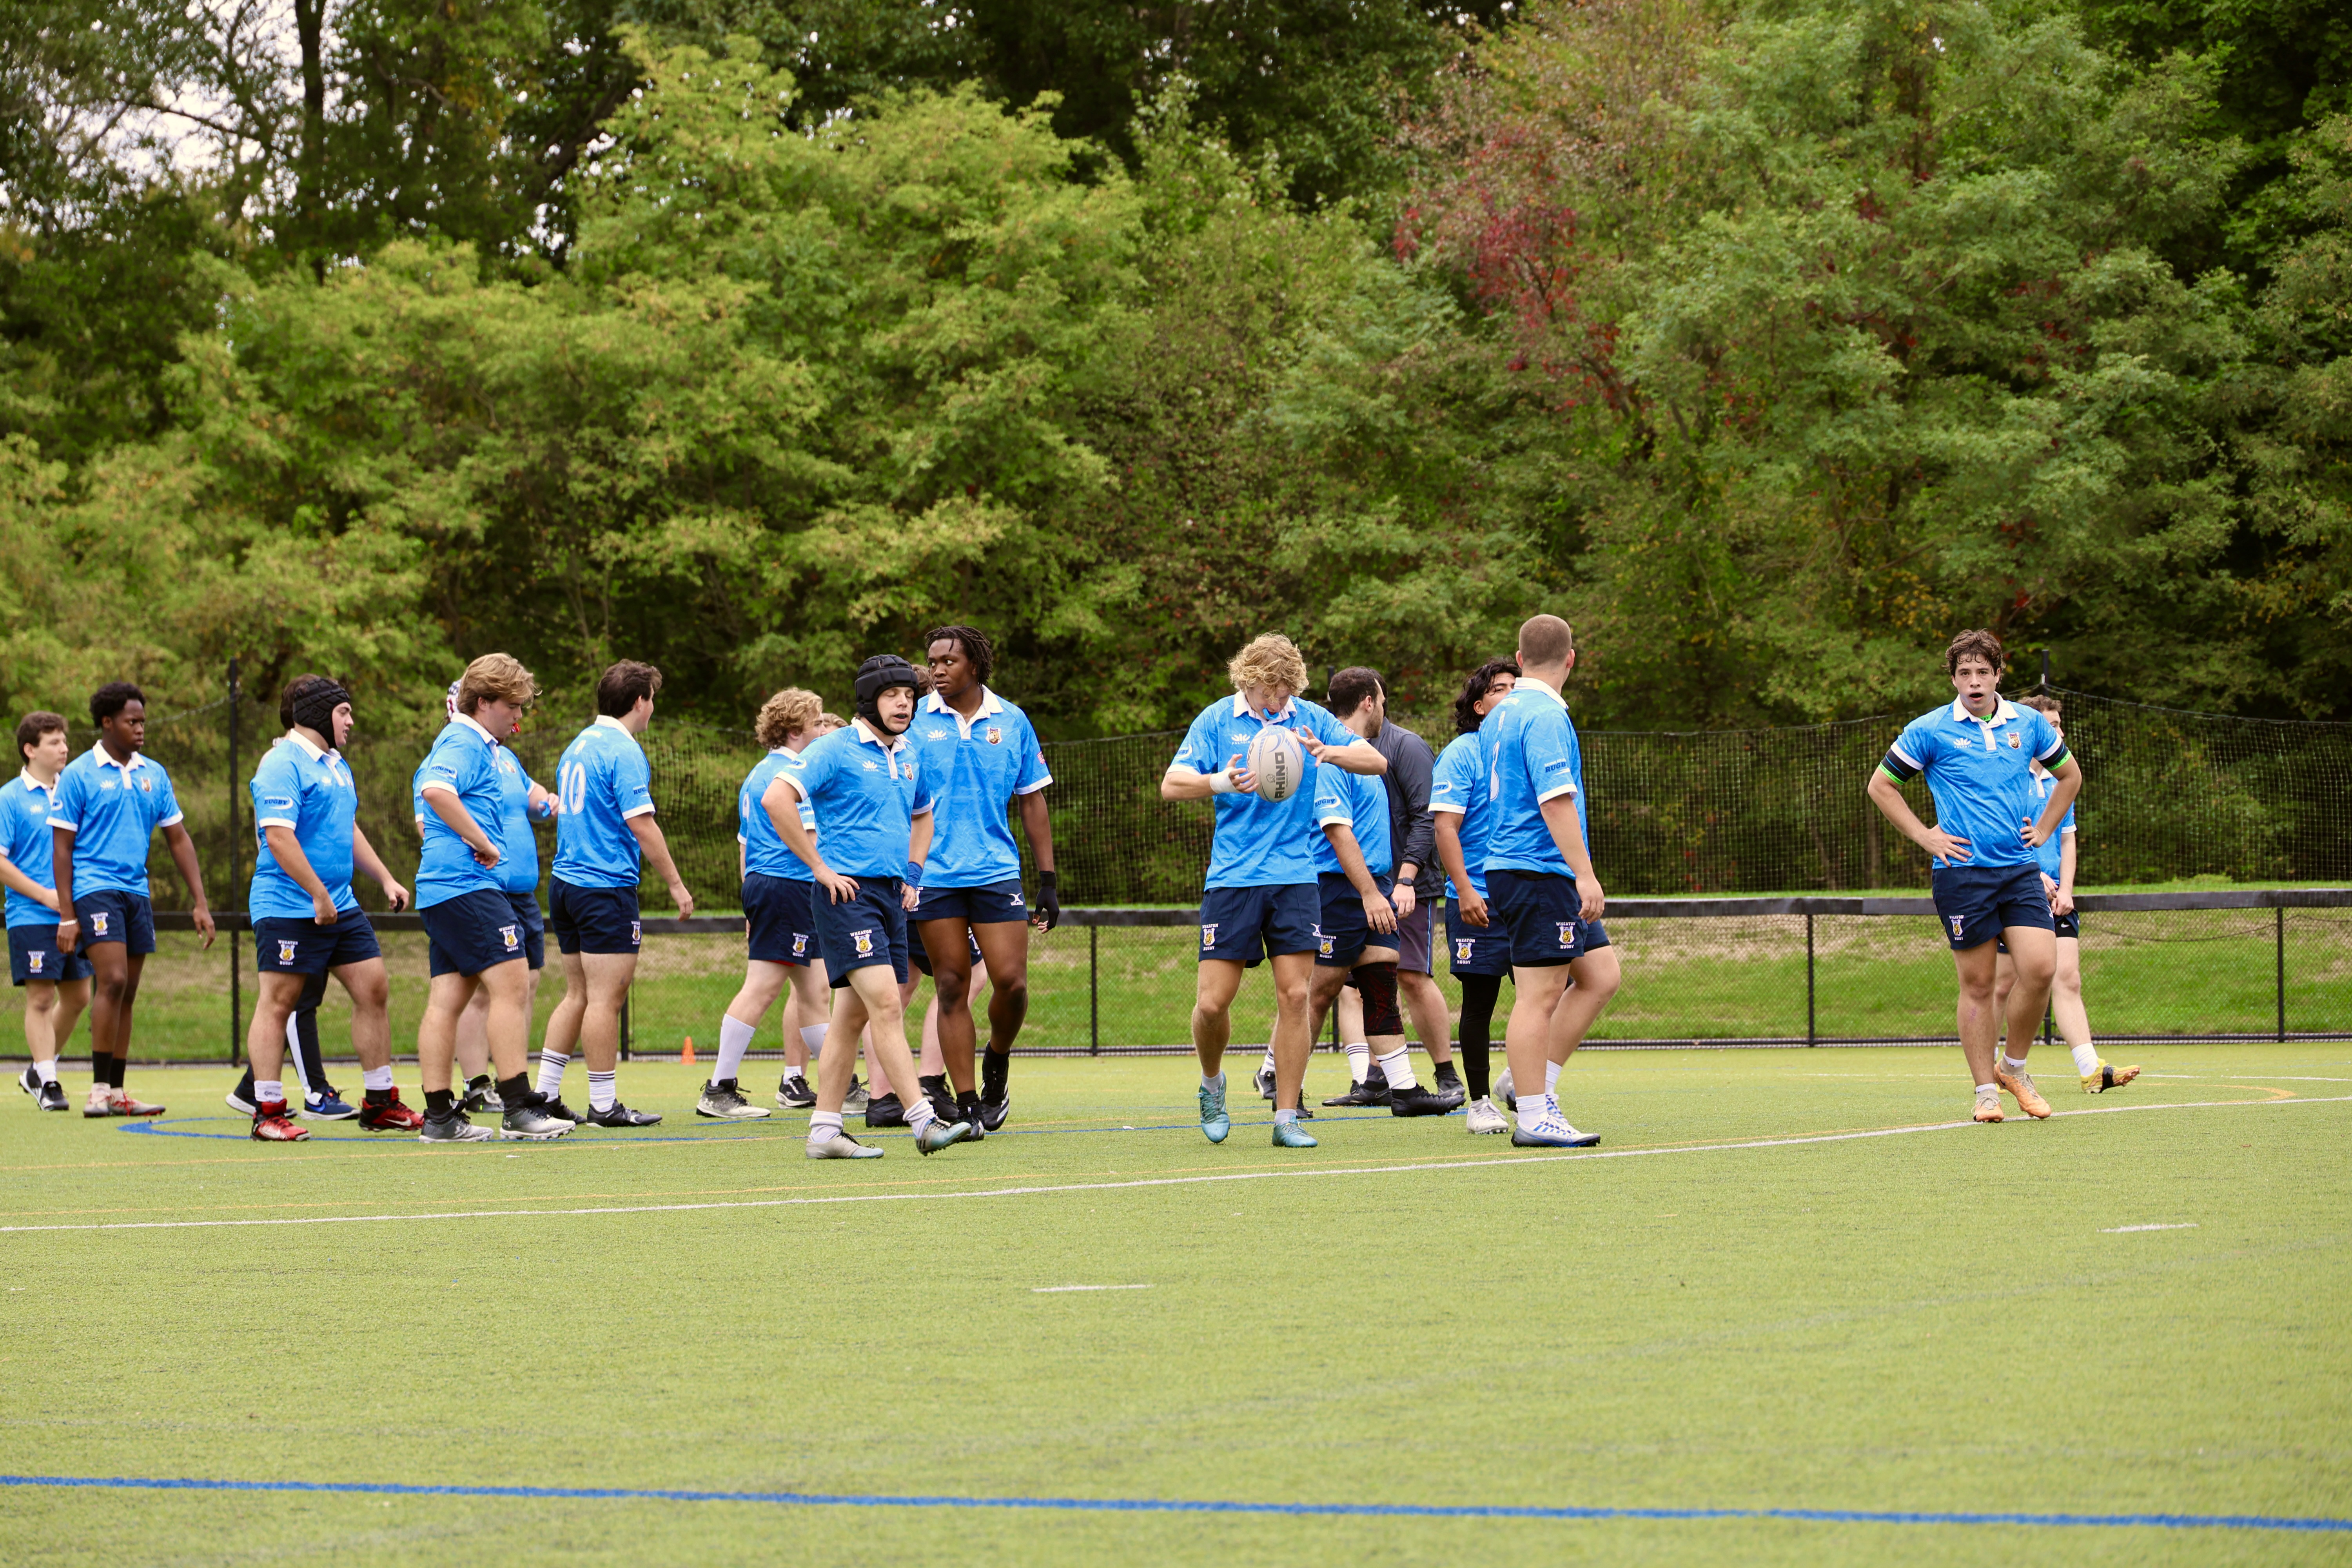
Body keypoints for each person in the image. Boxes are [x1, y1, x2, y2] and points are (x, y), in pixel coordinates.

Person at [1161, 633, 1386, 1150]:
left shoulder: (1309, 719)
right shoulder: (1218, 719)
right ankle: (1213, 1084)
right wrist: (1220, 782)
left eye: (1290, 691)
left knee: (1296, 995)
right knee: (1213, 1004)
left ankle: (1286, 1116)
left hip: (1296, 876)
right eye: (1276, 690)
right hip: (1234, 879)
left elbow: (1378, 764)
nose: (1282, 700)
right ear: (1252, 680)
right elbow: (1173, 784)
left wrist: (1331, 752)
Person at [1867, 629, 2082, 1123]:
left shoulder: (2027, 723)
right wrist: (1927, 837)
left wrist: (2046, 827)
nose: (1975, 681)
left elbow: (2070, 777)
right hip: (1962, 875)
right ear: (1954, 679)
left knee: (2040, 969)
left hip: (2019, 871)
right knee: (1980, 984)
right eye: (1965, 673)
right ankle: (1986, 1090)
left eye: (1983, 671)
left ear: (1999, 674)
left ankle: (2014, 1067)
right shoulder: (1930, 728)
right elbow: (1882, 786)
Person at [774, 655, 971, 1158]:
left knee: (850, 1019)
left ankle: (823, 1131)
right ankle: (923, 1121)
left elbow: (924, 817)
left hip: (890, 896)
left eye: (909, 694)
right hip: (846, 896)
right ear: (868, 700)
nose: (904, 702)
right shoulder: (835, 748)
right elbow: (777, 799)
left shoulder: (908, 753)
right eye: (892, 694)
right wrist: (819, 868)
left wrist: (914, 873)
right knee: (887, 1001)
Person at [239, 675, 423, 1140]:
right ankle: (267, 1111)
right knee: (279, 1003)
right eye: (344, 712)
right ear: (318, 713)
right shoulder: (282, 763)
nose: (351, 720)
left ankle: (380, 1102)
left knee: (374, 988)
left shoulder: (337, 764)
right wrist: (317, 893)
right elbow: (279, 837)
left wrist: (384, 877)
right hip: (287, 905)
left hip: (339, 904)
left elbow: (348, 828)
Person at [411, 654, 572, 1142]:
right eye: (512, 707)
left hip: (443, 887)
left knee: (448, 998)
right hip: (465, 885)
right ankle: (519, 1106)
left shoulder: (480, 743)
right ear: (483, 702)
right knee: (512, 984)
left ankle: (440, 1116)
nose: (518, 718)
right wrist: (483, 842)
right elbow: (437, 791)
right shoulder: (463, 739)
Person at [909, 624, 1058, 1134]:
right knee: (950, 985)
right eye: (932, 662)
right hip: (934, 874)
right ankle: (969, 1105)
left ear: (975, 664)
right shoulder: (913, 721)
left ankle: (998, 1057)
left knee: (1011, 984)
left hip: (995, 871)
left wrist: (1048, 880)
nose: (937, 670)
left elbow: (1033, 800)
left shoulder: (1012, 721)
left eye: (948, 661)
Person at [1480, 616, 1619, 1148]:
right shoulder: (1544, 716)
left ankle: (1532, 1083)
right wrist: (1584, 874)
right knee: (1538, 996)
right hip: (1537, 869)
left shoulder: (1502, 712)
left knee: (1601, 973)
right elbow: (1554, 800)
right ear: (1571, 658)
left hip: (1521, 867)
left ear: (1518, 659)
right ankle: (1535, 1116)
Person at [536, 661, 693, 1129]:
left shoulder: (579, 743)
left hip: (565, 884)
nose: (653, 708)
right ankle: (604, 1104)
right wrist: (676, 883)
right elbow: (641, 823)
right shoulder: (624, 751)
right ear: (639, 700)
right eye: (652, 699)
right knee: (606, 998)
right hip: (603, 886)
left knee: (578, 994)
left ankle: (543, 1094)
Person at [51, 682, 215, 1117]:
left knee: (129, 991)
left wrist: (200, 901)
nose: (141, 729)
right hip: (94, 888)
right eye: (132, 721)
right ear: (108, 723)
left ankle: (119, 1092)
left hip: (136, 892)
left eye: (143, 721)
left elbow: (178, 838)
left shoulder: (153, 774)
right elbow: (62, 848)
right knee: (114, 979)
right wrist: (68, 915)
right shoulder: (80, 774)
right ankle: (98, 1089)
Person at [1294, 683, 1453, 1119]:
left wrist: (1383, 886)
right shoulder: (1331, 759)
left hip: (1374, 886)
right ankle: (1287, 1087)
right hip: (1337, 890)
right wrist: (1368, 893)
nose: (1385, 708)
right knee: (1317, 992)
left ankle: (1403, 1090)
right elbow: (1336, 830)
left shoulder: (1361, 755)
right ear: (1369, 701)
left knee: (1381, 983)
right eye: (1383, 700)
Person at [1993, 693, 2137, 1095]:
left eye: (2059, 724)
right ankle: (1989, 1070)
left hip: (2058, 895)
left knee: (2068, 978)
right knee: (2002, 983)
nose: (2056, 732)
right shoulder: (2009, 776)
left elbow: (2068, 840)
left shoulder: (2061, 780)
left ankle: (2092, 1069)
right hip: (2017, 888)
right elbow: (2003, 836)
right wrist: (2034, 875)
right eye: (2049, 725)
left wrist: (2067, 889)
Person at [699, 687, 829, 1120]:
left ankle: (839, 1086)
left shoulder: (758, 773)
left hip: (766, 883)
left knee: (814, 993)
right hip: (788, 885)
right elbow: (810, 842)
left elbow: (744, 845)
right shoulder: (794, 776)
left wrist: (750, 901)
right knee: (762, 987)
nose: (822, 730)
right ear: (795, 731)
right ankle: (718, 1088)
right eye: (816, 723)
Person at [450, 678, 556, 1116]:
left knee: (524, 986)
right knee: (477, 992)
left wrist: (549, 801)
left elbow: (536, 800)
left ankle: (514, 1079)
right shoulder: (455, 755)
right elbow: (433, 818)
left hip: (522, 893)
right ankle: (478, 1084)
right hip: (483, 890)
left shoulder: (507, 758)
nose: (516, 716)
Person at [1430, 658, 1520, 1134]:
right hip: (1479, 901)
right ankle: (1481, 1102)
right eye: (1499, 688)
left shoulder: (1526, 746)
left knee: (1554, 992)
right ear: (1481, 705)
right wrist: (1464, 889)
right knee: (1479, 1003)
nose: (1509, 694)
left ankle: (1522, 1084)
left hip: (1526, 896)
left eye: (1515, 687)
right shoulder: (1462, 754)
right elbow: (1445, 826)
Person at [5, 713, 86, 1111]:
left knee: (79, 996)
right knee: (40, 998)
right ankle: (49, 1080)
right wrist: (45, 895)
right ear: (30, 749)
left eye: (64, 741)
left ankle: (38, 1070)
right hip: (30, 915)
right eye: (54, 742)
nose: (64, 748)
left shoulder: (73, 790)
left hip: (71, 913)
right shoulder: (9, 798)